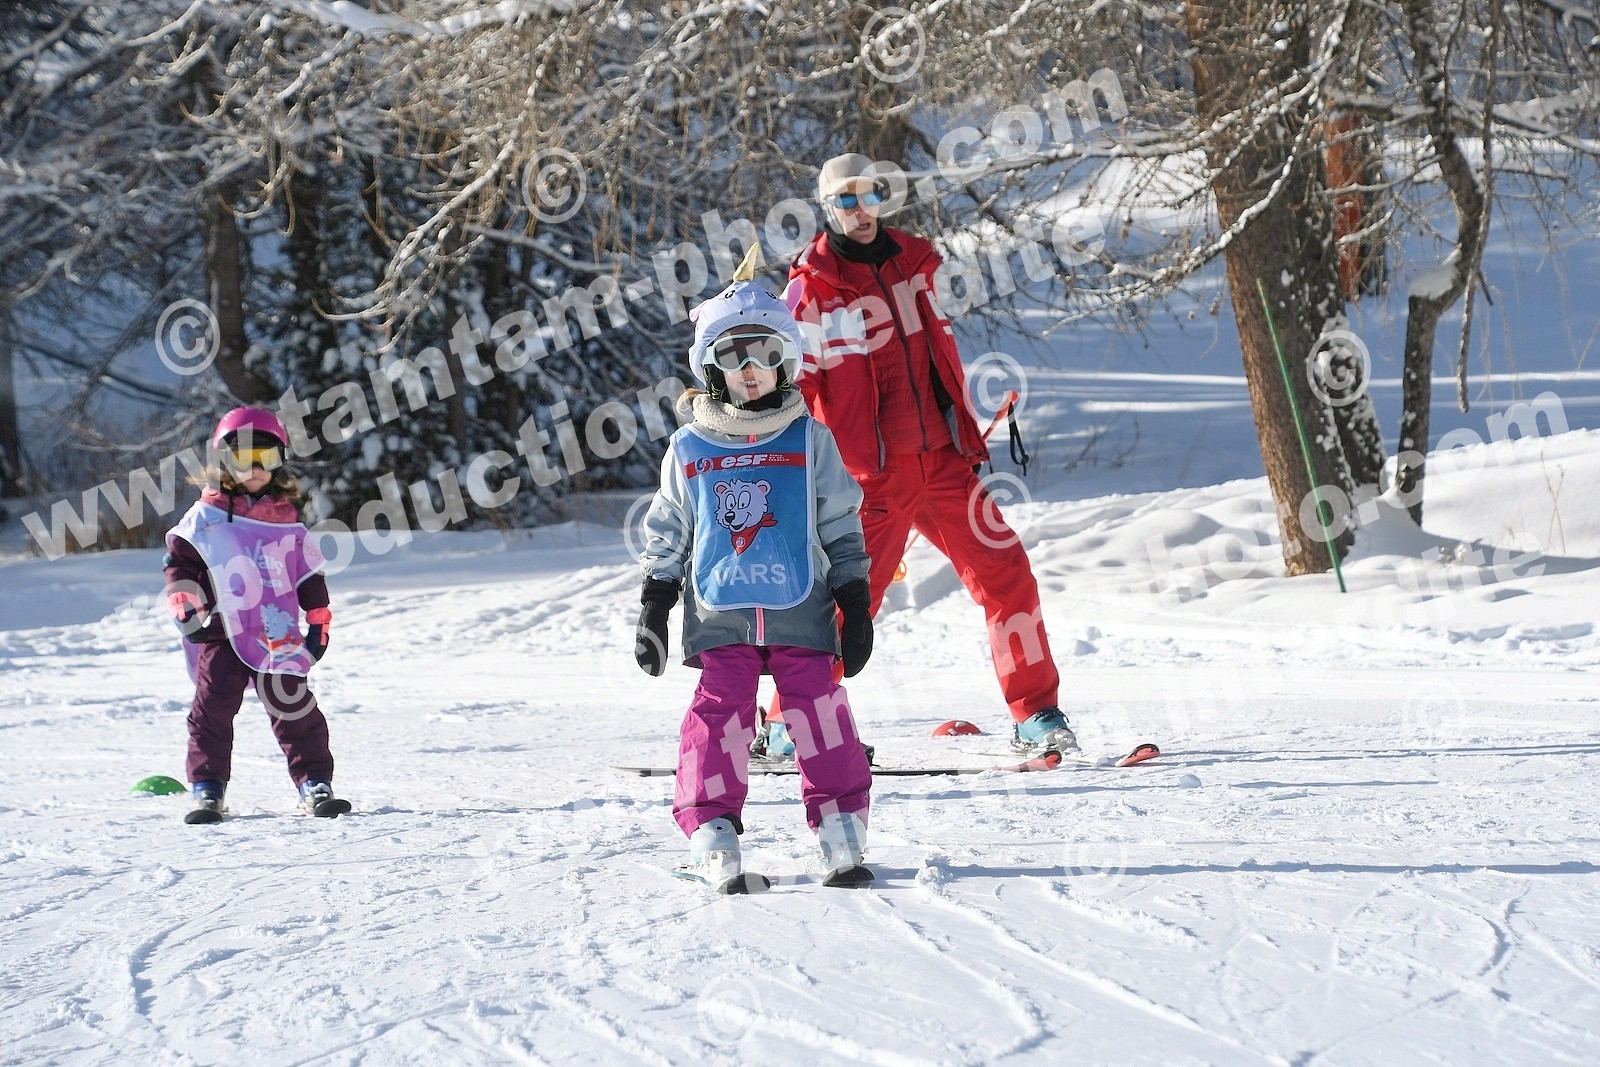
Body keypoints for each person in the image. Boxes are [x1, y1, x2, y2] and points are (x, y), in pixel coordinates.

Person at [779, 152, 1076, 753]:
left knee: (1008, 574)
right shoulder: (810, 291)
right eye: (846, 199)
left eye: (870, 195)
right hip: (869, 478)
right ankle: (790, 723)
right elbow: (794, 386)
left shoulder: (914, 264)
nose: (861, 209)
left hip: (943, 463)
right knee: (848, 600)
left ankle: (1036, 712)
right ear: (827, 207)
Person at [634, 269, 876, 889]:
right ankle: (712, 829)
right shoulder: (690, 447)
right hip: (721, 613)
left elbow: (839, 519)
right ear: (711, 367)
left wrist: (854, 597)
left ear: (785, 362)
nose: (750, 368)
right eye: (733, 354)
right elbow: (670, 525)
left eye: (766, 352)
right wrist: (656, 601)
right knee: (720, 714)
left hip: (802, 608)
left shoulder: (809, 439)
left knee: (819, 710)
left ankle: (841, 827)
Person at [163, 407, 346, 823]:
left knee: (295, 709)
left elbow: (308, 573)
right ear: (223, 461)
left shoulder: (286, 519)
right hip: (223, 630)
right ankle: (208, 788)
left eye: (267, 457)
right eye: (245, 457)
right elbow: (181, 563)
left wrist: (318, 620)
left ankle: (315, 783)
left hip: (277, 632)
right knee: (211, 709)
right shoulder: (206, 517)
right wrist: (186, 607)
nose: (256, 469)